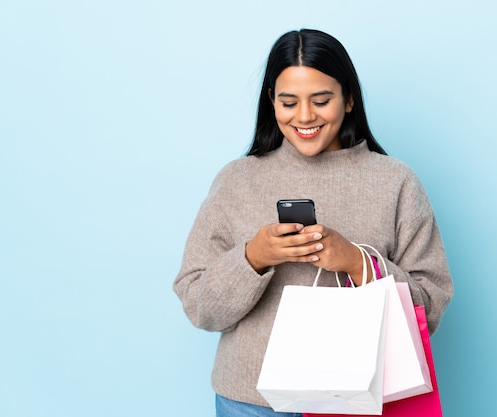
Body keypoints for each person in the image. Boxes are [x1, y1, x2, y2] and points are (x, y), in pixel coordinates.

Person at [173, 28, 453, 417]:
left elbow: (431, 305)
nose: (304, 116)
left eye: (321, 100)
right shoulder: (237, 180)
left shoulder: (396, 182)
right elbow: (198, 306)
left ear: (349, 98)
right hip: (250, 404)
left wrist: (358, 262)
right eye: (288, 102)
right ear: (271, 101)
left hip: (360, 401)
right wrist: (254, 257)